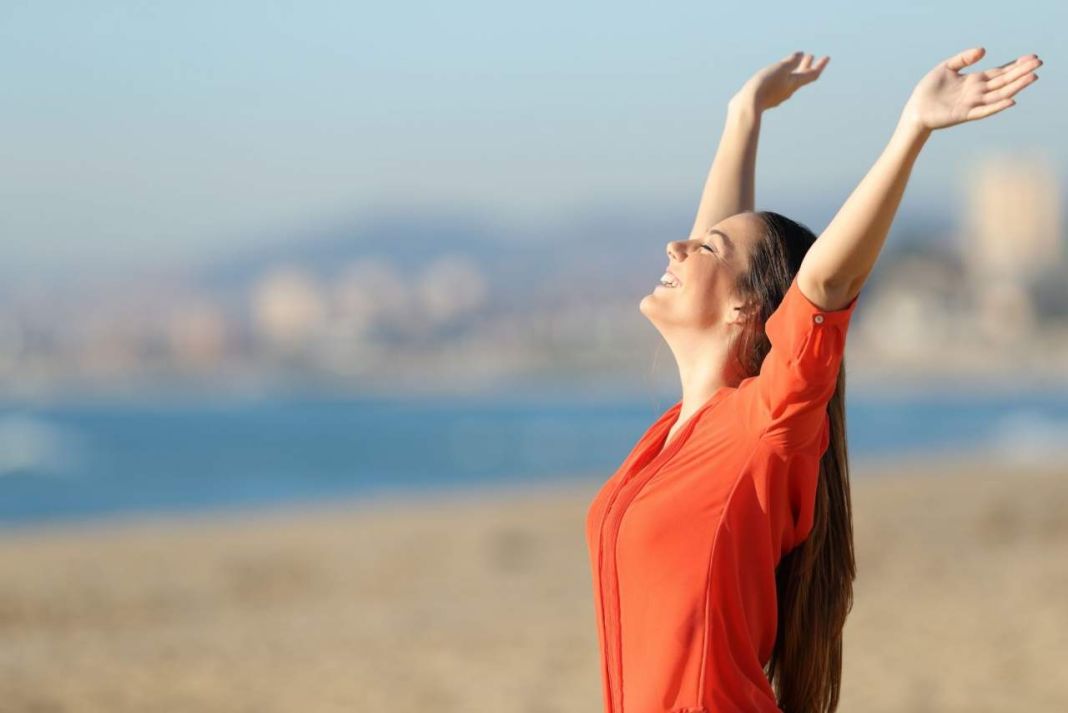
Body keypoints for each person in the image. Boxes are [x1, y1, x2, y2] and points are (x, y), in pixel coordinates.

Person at [584, 47, 1042, 713]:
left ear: (748, 308)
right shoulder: (672, 439)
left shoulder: (765, 424)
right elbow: (725, 258)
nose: (676, 248)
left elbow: (824, 283)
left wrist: (911, 130)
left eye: (703, 249)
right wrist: (743, 117)